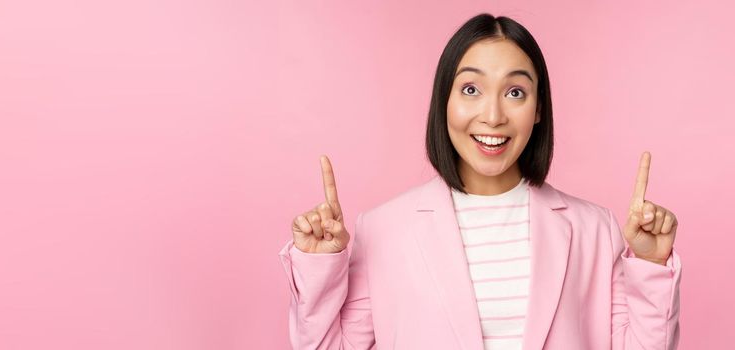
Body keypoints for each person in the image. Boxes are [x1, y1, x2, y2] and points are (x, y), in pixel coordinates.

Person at [277, 13, 682, 350]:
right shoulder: (382, 229)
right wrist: (319, 265)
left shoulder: (595, 229)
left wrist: (649, 265)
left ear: (538, 108)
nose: (492, 115)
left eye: (515, 92)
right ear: (445, 101)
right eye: (471, 89)